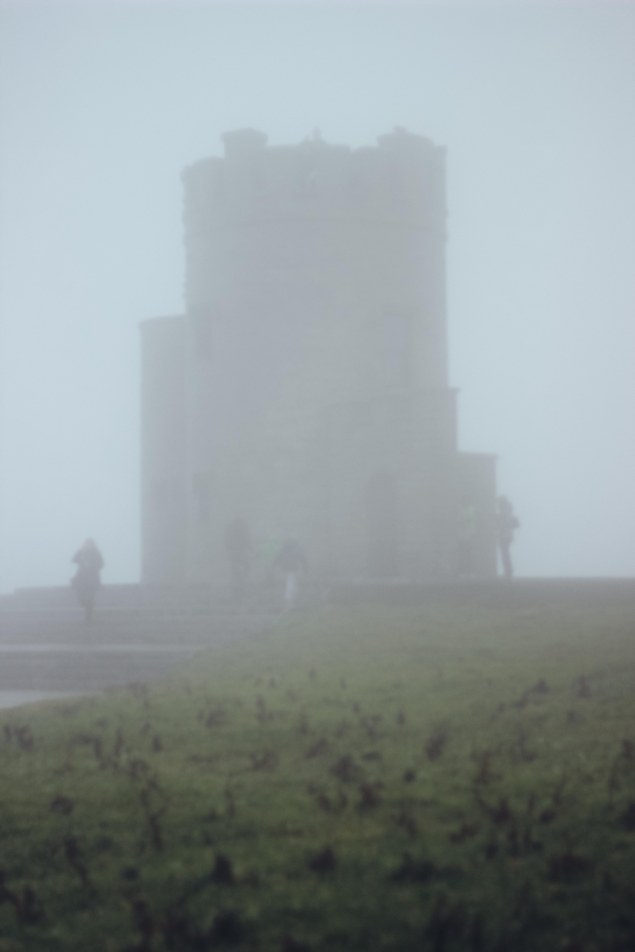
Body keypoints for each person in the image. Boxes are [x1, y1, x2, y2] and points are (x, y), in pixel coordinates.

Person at [71, 538, 104, 623]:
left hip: (92, 579)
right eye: (87, 544)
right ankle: (88, 605)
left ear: (93, 545)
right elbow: (74, 560)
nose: (88, 545)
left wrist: (92, 565)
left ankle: (88, 618)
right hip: (81, 578)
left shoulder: (96, 553)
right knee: (81, 597)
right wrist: (80, 557)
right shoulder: (81, 551)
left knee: (90, 598)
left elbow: (101, 564)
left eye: (90, 544)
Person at [273, 538, 308, 610]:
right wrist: (305, 568)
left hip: (284, 567)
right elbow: (302, 559)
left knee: (290, 581)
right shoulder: (296, 550)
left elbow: (277, 558)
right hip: (293, 568)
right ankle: (289, 599)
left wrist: (274, 566)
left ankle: (291, 596)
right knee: (291, 582)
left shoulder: (283, 550)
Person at [224, 517, 252, 601]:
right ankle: (239, 586)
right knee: (246, 568)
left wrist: (230, 549)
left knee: (235, 571)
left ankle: (236, 588)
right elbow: (247, 541)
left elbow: (226, 541)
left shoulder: (230, 530)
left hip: (234, 553)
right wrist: (251, 549)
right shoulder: (243, 530)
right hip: (240, 553)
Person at [496, 495, 519, 580]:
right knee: (505, 553)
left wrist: (498, 521)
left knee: (505, 553)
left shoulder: (504, 512)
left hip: (504, 535)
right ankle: (508, 571)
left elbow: (503, 524)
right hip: (508, 535)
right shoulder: (508, 511)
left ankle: (508, 571)